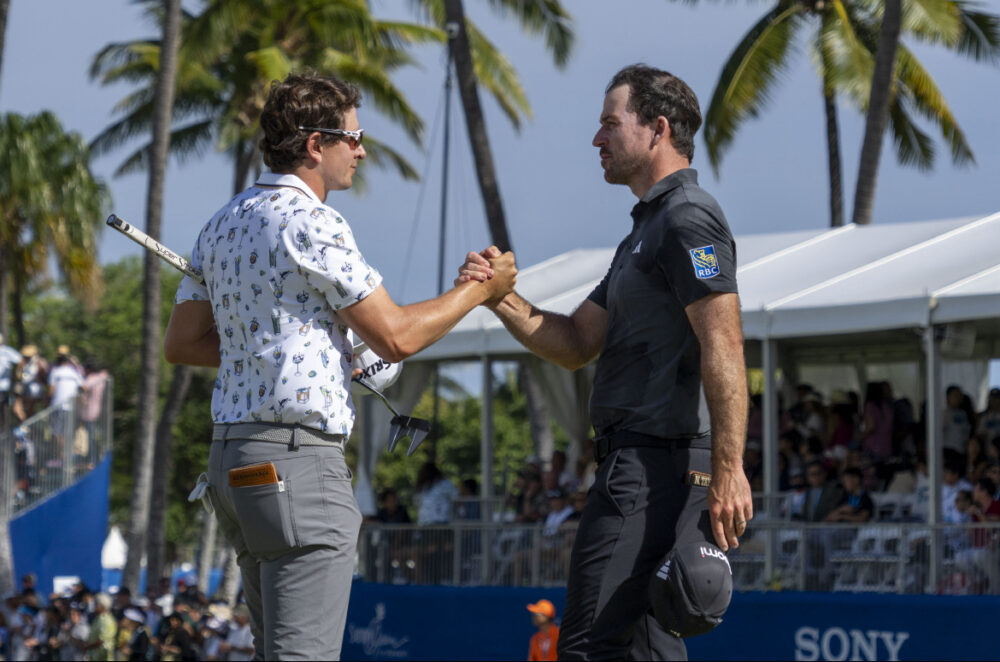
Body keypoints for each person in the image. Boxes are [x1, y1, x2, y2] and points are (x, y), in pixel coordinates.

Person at [162, 72, 515, 661]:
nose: (362, 149)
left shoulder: (221, 222)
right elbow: (397, 337)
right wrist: (481, 292)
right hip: (297, 464)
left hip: (234, 463)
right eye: (351, 137)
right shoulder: (313, 222)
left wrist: (296, 349)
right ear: (313, 145)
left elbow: (183, 342)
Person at [458, 64, 752, 660]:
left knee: (589, 648)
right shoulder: (644, 232)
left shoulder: (687, 216)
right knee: (647, 651)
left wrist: (729, 468)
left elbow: (724, 341)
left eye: (609, 125)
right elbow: (573, 343)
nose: (597, 140)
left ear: (658, 129)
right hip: (643, 465)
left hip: (654, 469)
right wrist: (498, 295)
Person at [0, 333, 21, 425]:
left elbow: (21, 360)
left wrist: (16, 374)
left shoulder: (6, 351)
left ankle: (4, 432)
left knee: (4, 411)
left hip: (3, 387)